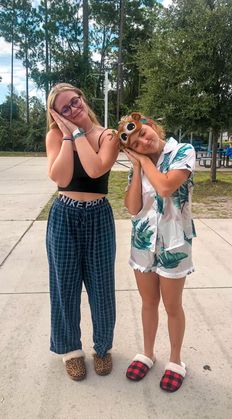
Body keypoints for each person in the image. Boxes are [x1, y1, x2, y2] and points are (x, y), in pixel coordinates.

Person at [117, 112, 196, 392]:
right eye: (135, 142)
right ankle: (147, 353)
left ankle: (176, 361)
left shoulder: (183, 151)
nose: (142, 140)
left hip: (174, 242)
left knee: (172, 306)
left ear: (151, 125)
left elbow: (165, 187)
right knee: (148, 303)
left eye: (142, 132)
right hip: (143, 243)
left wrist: (142, 161)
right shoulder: (139, 164)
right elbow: (133, 207)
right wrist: (137, 168)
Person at [45, 83, 119, 381]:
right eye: (65, 108)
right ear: (56, 115)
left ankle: (102, 348)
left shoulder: (107, 136)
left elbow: (95, 169)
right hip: (64, 215)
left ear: (83, 99)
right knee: (64, 287)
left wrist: (77, 133)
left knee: (102, 288)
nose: (73, 109)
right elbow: (60, 177)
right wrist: (65, 134)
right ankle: (70, 350)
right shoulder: (54, 136)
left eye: (75, 101)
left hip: (99, 217)